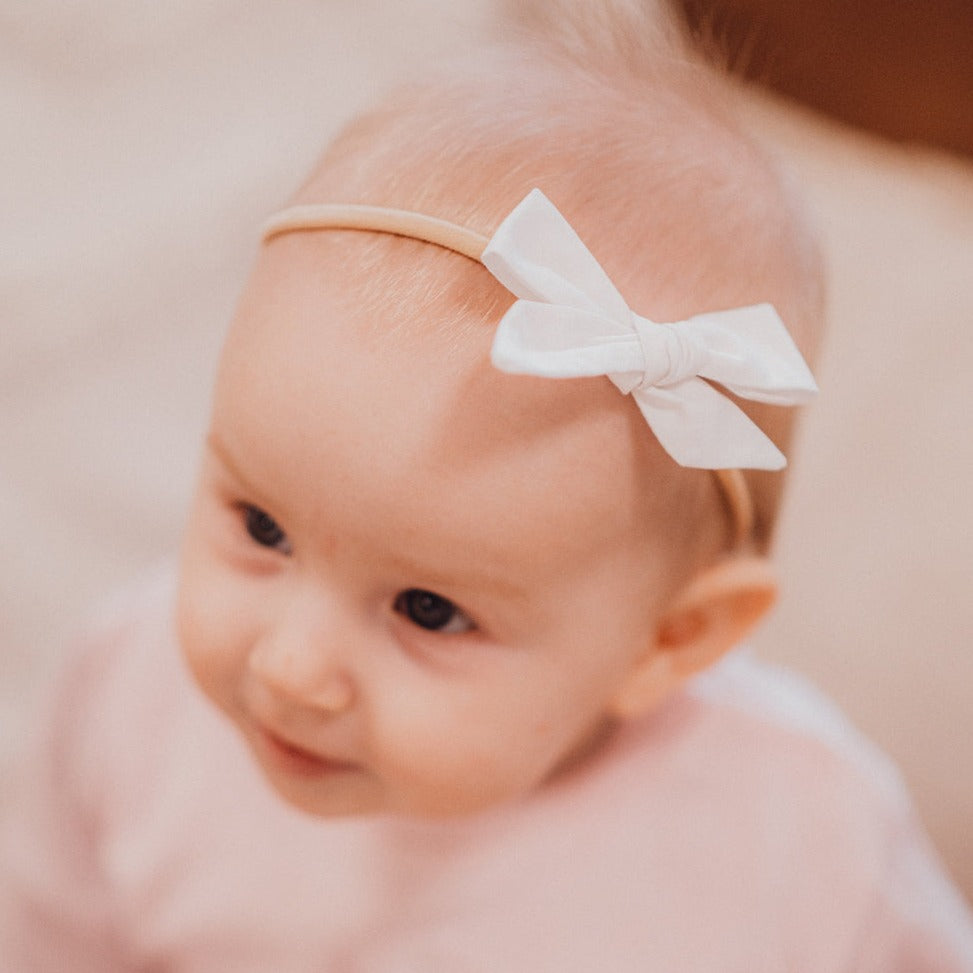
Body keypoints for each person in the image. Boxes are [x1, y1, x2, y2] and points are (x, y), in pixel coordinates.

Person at [3, 2, 972, 969]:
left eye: (429, 609)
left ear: (671, 637)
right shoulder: (132, 699)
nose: (289, 667)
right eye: (262, 525)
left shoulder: (807, 846)